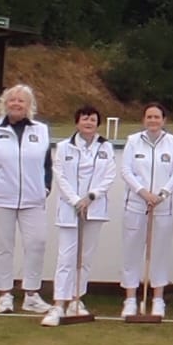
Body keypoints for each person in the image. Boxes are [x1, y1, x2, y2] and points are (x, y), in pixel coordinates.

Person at [0, 84, 53, 315]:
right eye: (12, 100)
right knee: (3, 247)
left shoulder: (41, 131)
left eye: (21, 101)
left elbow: (47, 164)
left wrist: (45, 187)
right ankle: (5, 295)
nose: (16, 104)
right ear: (4, 104)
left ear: (29, 106)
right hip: (0, 197)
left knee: (37, 243)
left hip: (33, 198)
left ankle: (31, 294)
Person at [41, 105, 116, 326]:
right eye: (85, 119)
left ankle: (76, 299)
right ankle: (58, 305)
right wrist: (76, 200)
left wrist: (91, 196)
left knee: (85, 258)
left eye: (93, 119)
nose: (89, 123)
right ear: (77, 123)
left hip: (95, 207)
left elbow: (109, 175)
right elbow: (60, 176)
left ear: (97, 123)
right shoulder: (64, 147)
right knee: (66, 258)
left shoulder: (106, 147)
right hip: (69, 208)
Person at [119, 102, 173, 318]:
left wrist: (161, 194)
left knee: (159, 253)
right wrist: (143, 192)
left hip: (162, 206)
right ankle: (130, 298)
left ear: (164, 120)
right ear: (143, 120)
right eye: (149, 117)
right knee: (131, 252)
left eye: (157, 117)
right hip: (137, 204)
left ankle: (157, 299)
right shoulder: (133, 141)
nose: (153, 120)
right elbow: (126, 170)